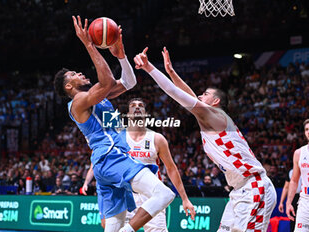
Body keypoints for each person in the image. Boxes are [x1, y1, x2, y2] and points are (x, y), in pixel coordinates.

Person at [53, 16, 187, 232]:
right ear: (69, 86)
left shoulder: (98, 98)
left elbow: (129, 82)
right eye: (73, 74)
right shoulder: (77, 103)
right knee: (164, 194)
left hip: (110, 160)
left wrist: (121, 55)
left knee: (113, 226)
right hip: (111, 158)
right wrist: (89, 44)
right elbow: (106, 81)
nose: (79, 73)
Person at [133, 47, 276, 232]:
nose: (200, 96)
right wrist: (171, 72)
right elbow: (187, 95)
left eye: (206, 94)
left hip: (255, 186)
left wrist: (149, 67)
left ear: (215, 102)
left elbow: (176, 94)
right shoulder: (207, 120)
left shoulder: (217, 116)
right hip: (238, 191)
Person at [83, 98, 195, 231]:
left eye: (141, 106)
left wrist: (185, 198)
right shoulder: (117, 136)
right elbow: (99, 162)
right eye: (133, 106)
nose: (137, 107)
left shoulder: (157, 138)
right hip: (126, 195)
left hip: (151, 195)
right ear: (128, 114)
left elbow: (171, 168)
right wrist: (86, 182)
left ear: (145, 113)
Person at [286, 119, 309, 232]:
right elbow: (294, 180)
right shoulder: (299, 153)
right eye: (306, 129)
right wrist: (289, 202)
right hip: (305, 200)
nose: (308, 131)